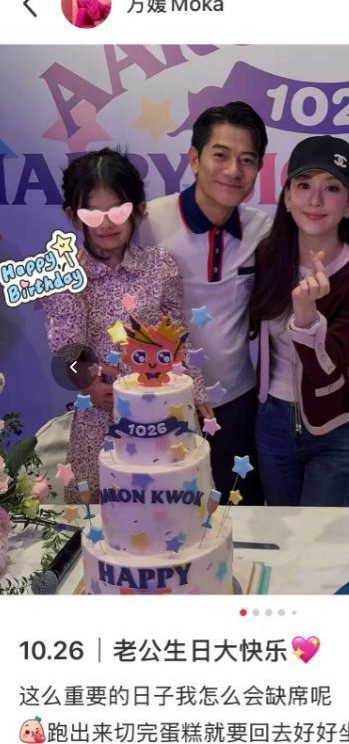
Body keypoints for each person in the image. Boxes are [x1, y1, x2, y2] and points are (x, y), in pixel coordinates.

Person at [43, 148, 208, 502]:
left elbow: (177, 337)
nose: (106, 224)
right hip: (96, 419)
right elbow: (65, 348)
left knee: (165, 507)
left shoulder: (160, 266)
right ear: (73, 216)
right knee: (97, 516)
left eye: (117, 210)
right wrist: (88, 384)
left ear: (138, 210)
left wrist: (193, 392)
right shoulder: (67, 275)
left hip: (158, 413)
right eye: (93, 213)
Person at [139, 102, 272, 504]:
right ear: (194, 159)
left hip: (236, 403)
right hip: (160, 402)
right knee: (163, 517)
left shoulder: (263, 230)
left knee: (240, 513)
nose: (234, 170)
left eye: (247, 160)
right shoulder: (147, 223)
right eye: (221, 155)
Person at [249, 135, 349, 506]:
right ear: (287, 197)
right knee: (281, 531)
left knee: (320, 538)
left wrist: (306, 317)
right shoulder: (266, 256)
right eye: (303, 186)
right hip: (271, 420)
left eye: (331, 188)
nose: (315, 200)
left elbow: (325, 369)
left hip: (337, 427)